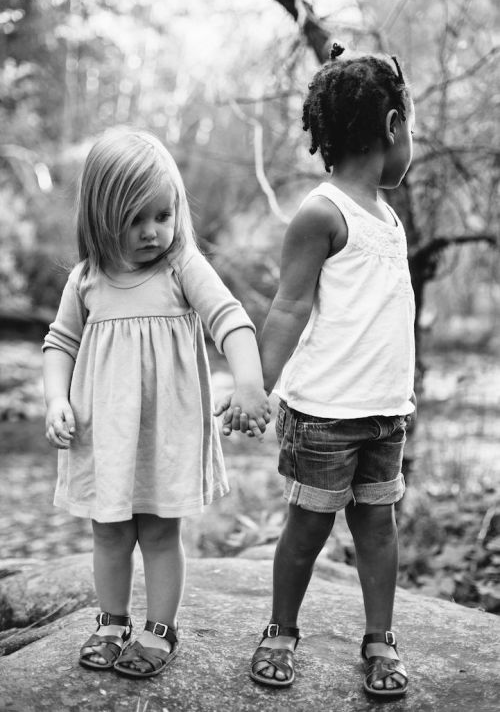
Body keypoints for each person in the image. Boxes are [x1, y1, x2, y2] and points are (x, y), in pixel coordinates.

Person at [42, 128, 270, 678]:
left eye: (163, 216)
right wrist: (55, 400)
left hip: (168, 430)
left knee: (161, 529)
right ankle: (112, 622)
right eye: (136, 219)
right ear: (101, 215)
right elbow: (59, 343)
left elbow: (230, 320)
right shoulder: (87, 279)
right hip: (105, 433)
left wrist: (248, 382)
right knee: (110, 529)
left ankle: (159, 629)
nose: (152, 232)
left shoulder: (181, 267)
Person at [244, 43, 415, 697]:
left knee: (377, 523)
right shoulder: (322, 212)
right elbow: (287, 309)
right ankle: (280, 630)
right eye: (410, 132)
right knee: (308, 525)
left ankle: (380, 640)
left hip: (384, 412)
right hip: (323, 415)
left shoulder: (387, 214)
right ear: (393, 128)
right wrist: (255, 386)